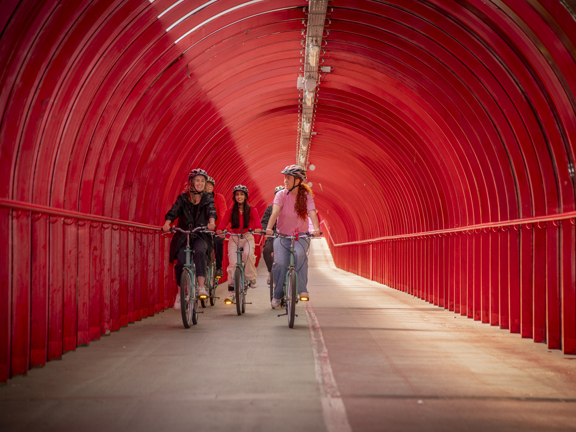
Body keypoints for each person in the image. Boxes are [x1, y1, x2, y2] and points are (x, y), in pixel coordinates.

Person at [265, 165, 320, 308]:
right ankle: (277, 295)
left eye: (288, 177)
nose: (285, 180)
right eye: (284, 177)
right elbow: (275, 212)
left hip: (300, 236)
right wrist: (269, 228)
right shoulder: (281, 194)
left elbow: (312, 212)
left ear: (298, 180)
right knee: (280, 263)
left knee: (300, 254)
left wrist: (316, 229)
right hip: (282, 235)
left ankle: (302, 289)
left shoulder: (305, 196)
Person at [162, 168, 216, 310]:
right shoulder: (183, 198)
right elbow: (174, 210)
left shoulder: (207, 198)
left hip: (200, 234)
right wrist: (167, 223)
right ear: (191, 182)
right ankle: (180, 294)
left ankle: (201, 286)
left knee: (200, 251)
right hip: (183, 234)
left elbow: (212, 210)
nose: (200, 183)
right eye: (197, 180)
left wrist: (211, 222)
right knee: (180, 261)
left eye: (202, 181)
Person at [216, 185, 261, 304]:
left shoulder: (252, 210)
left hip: (247, 237)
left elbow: (258, 223)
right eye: (237, 194)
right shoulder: (230, 211)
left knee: (247, 254)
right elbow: (223, 222)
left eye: (241, 194)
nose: (239, 196)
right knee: (233, 264)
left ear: (246, 196)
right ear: (234, 197)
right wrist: (220, 230)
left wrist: (258, 229)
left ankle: (250, 278)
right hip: (234, 238)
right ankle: (231, 291)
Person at [261, 186, 285, 284]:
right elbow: (264, 221)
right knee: (266, 251)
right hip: (272, 236)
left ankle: (287, 274)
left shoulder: (289, 208)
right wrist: (265, 230)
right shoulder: (270, 209)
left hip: (285, 237)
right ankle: (271, 271)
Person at [205, 176, 227, 277]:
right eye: (207, 184)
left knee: (218, 242)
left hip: (217, 229)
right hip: (204, 229)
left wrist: (221, 229)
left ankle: (219, 268)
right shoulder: (200, 199)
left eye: (211, 185)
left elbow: (223, 213)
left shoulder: (219, 197)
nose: (209, 186)